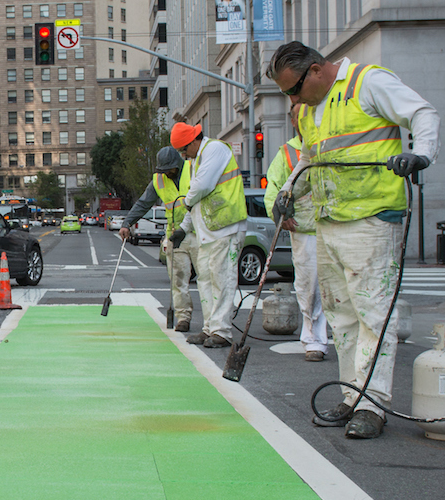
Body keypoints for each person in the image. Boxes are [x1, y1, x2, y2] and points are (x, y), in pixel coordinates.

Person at [265, 41, 439, 440]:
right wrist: (287, 192)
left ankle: (372, 404)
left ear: (316, 70)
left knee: (373, 316)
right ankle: (351, 395)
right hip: (329, 220)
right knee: (341, 315)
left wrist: (421, 155)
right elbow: (311, 158)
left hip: (371, 219)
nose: (292, 99)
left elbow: (422, 113)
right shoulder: (310, 110)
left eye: (294, 89)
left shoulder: (368, 83)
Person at [263, 103, 334, 361]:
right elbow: (273, 188)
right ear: (294, 122)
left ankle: (332, 332)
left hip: (337, 220)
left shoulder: (330, 140)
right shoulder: (287, 153)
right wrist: (280, 214)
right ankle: (314, 339)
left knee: (337, 284)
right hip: (305, 227)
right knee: (309, 285)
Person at [169, 122, 249, 348]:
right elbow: (195, 204)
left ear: (194, 140)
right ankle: (209, 328)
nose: (183, 156)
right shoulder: (197, 160)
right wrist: (184, 228)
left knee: (222, 279)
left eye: (184, 149)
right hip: (209, 231)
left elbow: (200, 188)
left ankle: (222, 331)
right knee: (206, 280)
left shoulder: (215, 149)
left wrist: (185, 201)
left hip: (226, 227)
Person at [122, 145, 194, 334]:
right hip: (175, 234)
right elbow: (143, 203)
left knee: (207, 278)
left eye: (168, 170)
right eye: (162, 170)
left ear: (177, 165)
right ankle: (183, 316)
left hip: (197, 231)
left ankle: (212, 324)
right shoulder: (159, 180)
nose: (165, 174)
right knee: (177, 279)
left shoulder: (193, 169)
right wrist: (127, 222)